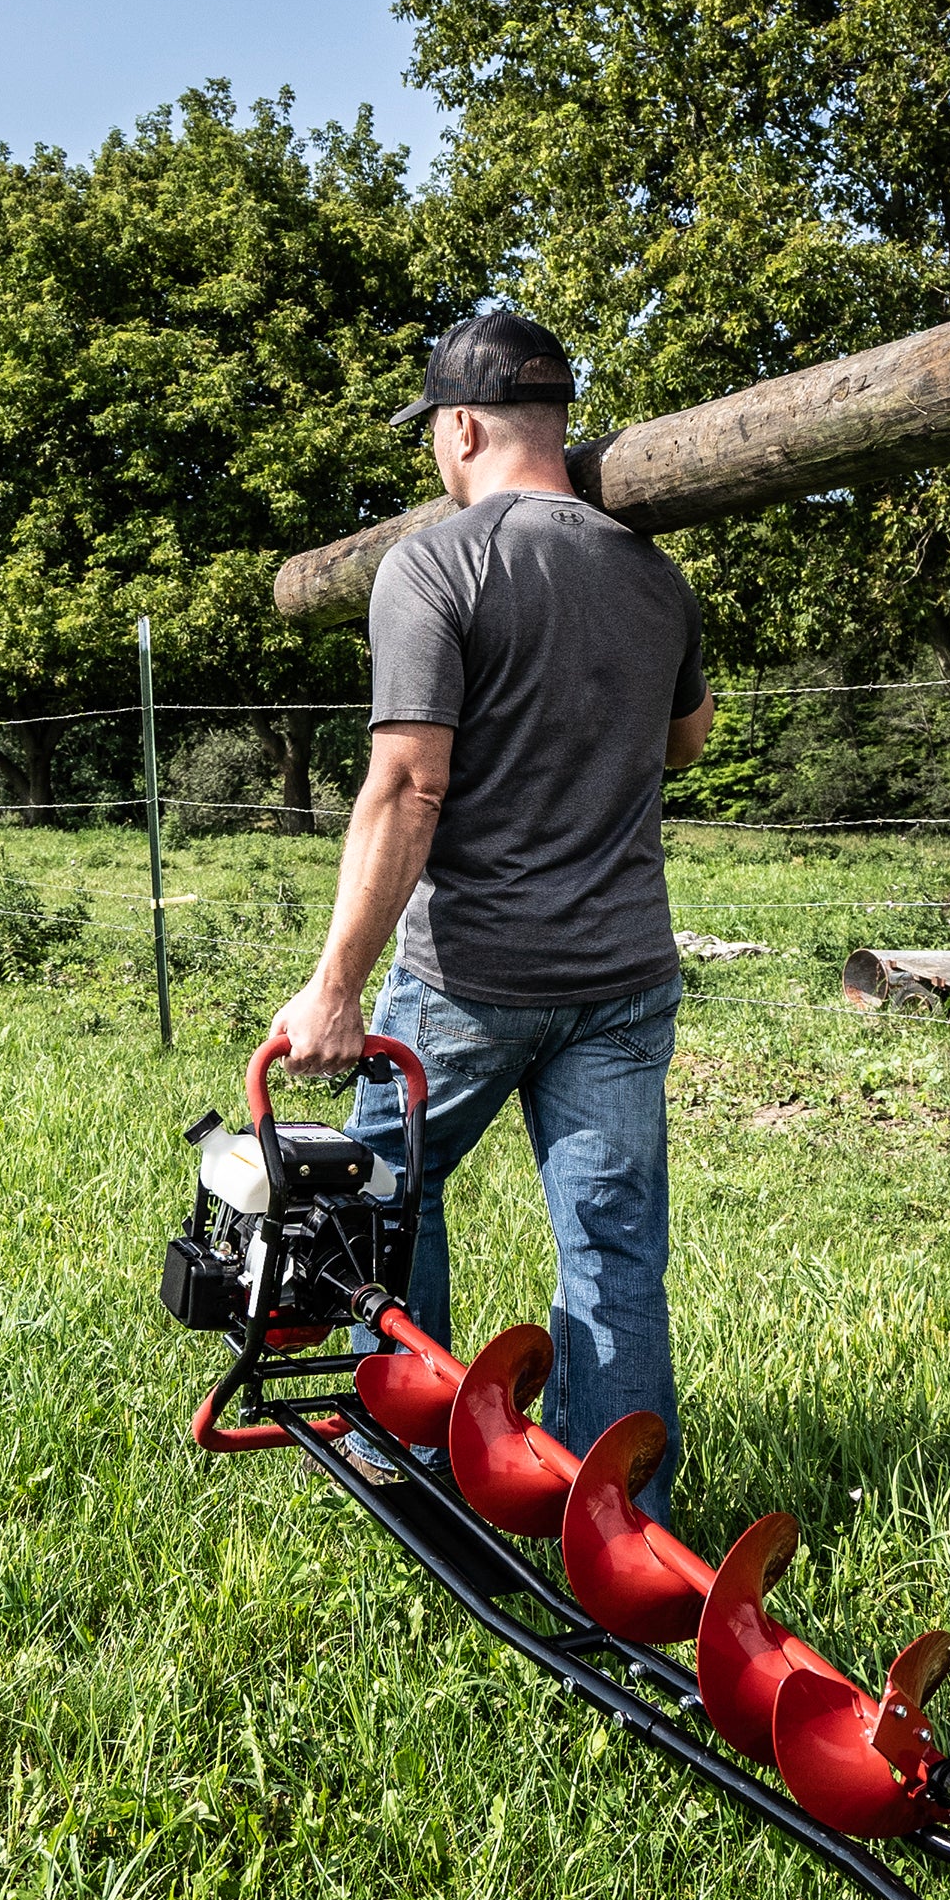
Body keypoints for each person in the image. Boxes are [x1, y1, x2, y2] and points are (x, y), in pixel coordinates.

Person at [270, 309, 714, 1517]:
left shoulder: (437, 562)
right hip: (623, 977)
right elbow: (687, 742)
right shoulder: (655, 577)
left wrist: (337, 984)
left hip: (472, 978)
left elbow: (410, 783)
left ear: (460, 426)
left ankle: (408, 1447)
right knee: (615, 1252)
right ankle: (617, 1520)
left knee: (378, 1200)